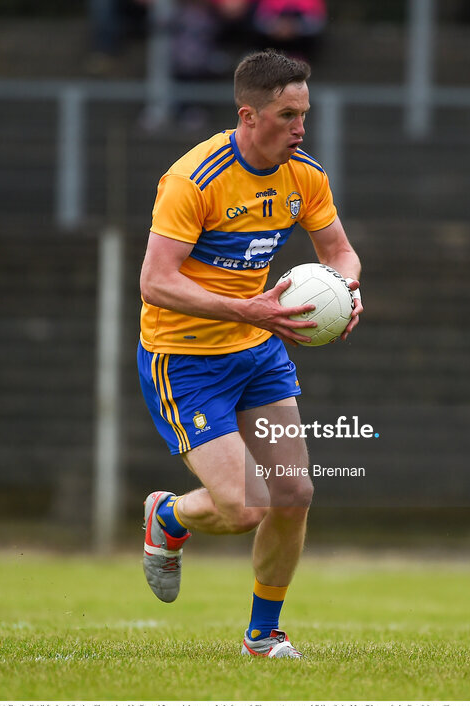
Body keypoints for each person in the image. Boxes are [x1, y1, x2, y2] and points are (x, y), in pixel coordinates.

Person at [137, 49, 362, 659]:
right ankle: (170, 517)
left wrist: (347, 289)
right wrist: (251, 309)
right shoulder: (194, 180)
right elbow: (155, 281)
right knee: (244, 509)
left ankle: (263, 636)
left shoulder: (304, 174)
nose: (301, 128)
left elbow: (340, 251)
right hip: (184, 359)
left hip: (257, 352)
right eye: (289, 116)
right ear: (248, 115)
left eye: (305, 114)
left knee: (293, 494)